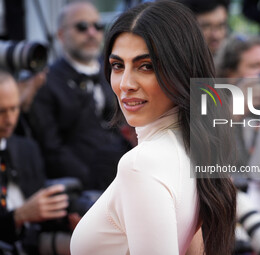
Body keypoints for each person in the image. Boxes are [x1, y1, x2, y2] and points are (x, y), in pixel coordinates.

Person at [70, 1, 236, 255]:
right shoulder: (196, 147)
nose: (125, 84)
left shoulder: (141, 164)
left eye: (145, 66)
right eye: (117, 66)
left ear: (182, 69)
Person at [29, 1, 130, 190]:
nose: (91, 33)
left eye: (98, 26)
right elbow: (52, 149)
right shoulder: (46, 82)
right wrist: (93, 182)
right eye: (81, 27)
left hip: (127, 177)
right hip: (85, 188)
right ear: (61, 34)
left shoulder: (116, 69)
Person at [0, 70, 69, 253]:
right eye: (1, 111)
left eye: (14, 108)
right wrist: (19, 216)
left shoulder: (27, 148)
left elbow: (40, 208)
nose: (9, 119)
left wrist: (65, 218)